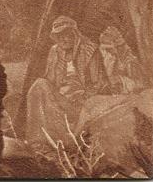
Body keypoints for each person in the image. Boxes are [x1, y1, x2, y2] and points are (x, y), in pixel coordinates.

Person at [25, 15, 107, 146]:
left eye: (66, 34)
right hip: (60, 98)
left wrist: (83, 97)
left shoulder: (90, 50)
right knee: (39, 86)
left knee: (40, 85)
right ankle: (38, 139)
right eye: (59, 36)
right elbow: (50, 80)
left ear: (75, 34)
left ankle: (56, 141)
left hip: (81, 102)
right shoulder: (54, 51)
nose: (63, 39)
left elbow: (99, 83)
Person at [99, 26, 143, 94]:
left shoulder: (127, 57)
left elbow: (123, 68)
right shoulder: (105, 54)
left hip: (124, 79)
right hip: (111, 78)